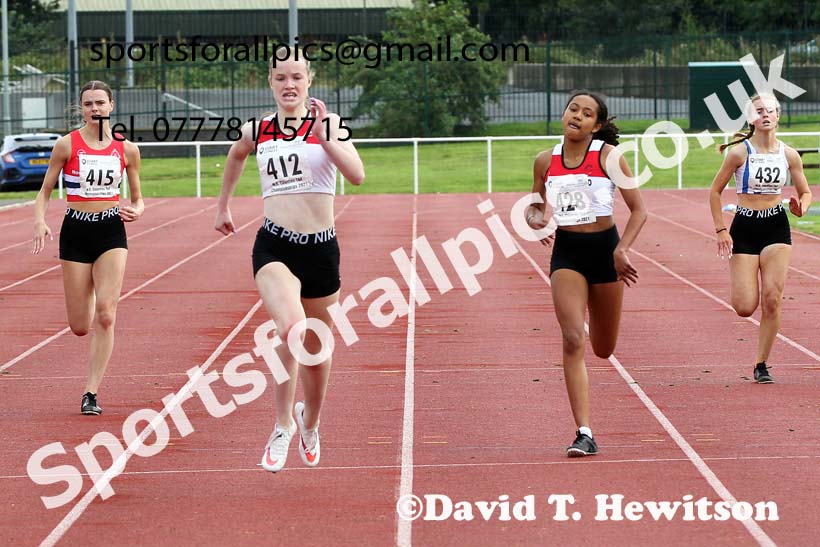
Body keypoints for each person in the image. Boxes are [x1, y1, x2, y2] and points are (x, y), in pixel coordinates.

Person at [214, 47, 364, 473]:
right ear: (270, 82)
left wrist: (324, 138)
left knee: (317, 349)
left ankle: (309, 422)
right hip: (274, 245)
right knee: (292, 329)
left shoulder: (330, 124)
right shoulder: (258, 129)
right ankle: (281, 424)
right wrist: (223, 205)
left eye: (297, 77)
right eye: (281, 78)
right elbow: (236, 154)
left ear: (310, 81)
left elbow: (356, 175)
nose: (289, 85)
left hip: (321, 249)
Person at [526, 91, 647, 457]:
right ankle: (584, 431)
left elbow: (639, 210)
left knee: (604, 348)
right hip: (568, 254)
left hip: (605, 253)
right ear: (564, 114)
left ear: (597, 125)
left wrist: (622, 249)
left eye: (587, 113)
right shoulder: (544, 160)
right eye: (573, 108)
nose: (577, 115)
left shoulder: (609, 157)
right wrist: (536, 220)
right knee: (572, 339)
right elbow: (534, 205)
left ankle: (591, 322)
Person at [32, 80, 144, 415]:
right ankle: (90, 293)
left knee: (106, 315)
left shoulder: (127, 150)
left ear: (112, 105)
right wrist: (40, 219)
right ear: (81, 109)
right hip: (76, 232)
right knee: (81, 325)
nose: (95, 109)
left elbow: (138, 198)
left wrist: (137, 210)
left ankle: (91, 392)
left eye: (100, 103)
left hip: (111, 231)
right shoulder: (67, 145)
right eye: (88, 104)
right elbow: (45, 191)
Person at [709, 92, 812, 384]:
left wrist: (800, 208)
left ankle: (761, 363)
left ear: (778, 116)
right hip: (744, 227)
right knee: (744, 306)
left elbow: (805, 192)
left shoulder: (789, 154)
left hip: (776, 227)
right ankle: (760, 356)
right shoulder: (740, 153)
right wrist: (721, 230)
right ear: (751, 119)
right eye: (759, 111)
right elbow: (715, 191)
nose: (765, 114)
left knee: (772, 299)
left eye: (770, 110)